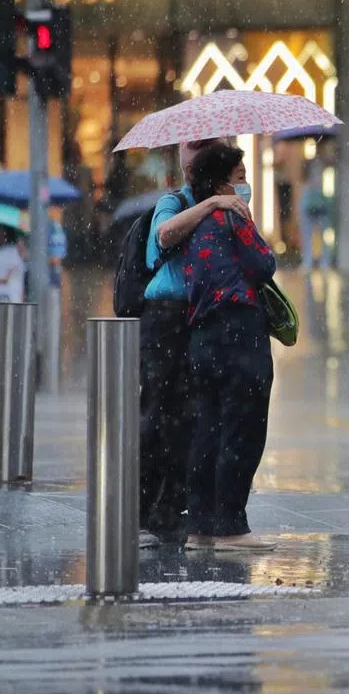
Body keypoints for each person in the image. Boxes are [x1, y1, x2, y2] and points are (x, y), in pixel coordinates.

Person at [139, 138, 250, 548]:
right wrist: (212, 205)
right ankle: (139, 513)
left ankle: (174, 508)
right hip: (167, 317)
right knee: (158, 414)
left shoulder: (232, 206)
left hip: (204, 318)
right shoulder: (174, 202)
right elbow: (165, 236)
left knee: (196, 417)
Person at [182, 142, 277, 552]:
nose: (245, 185)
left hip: (202, 335)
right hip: (239, 330)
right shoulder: (233, 216)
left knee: (208, 429)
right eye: (240, 178)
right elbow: (263, 264)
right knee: (243, 428)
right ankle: (231, 527)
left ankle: (200, 527)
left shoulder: (192, 222)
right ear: (221, 185)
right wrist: (253, 229)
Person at [299, 158, 334, 273]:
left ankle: (324, 262)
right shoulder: (307, 184)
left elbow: (327, 198)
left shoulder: (326, 180)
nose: (317, 170)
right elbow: (304, 201)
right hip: (309, 210)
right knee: (308, 238)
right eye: (315, 168)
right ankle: (308, 262)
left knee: (324, 238)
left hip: (321, 210)